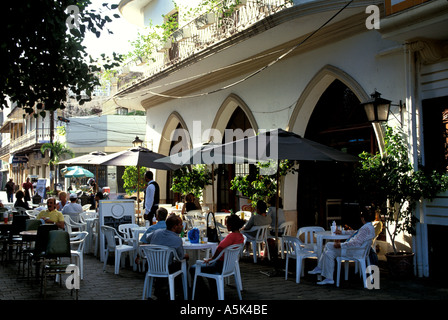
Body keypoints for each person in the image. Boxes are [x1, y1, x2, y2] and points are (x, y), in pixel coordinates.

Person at [308, 210, 376, 285]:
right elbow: (355, 232)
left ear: (363, 218)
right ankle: (324, 272)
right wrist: (342, 232)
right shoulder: (369, 227)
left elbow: (356, 243)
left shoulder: (365, 229)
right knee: (328, 248)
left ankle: (326, 274)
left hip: (353, 251)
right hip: (358, 250)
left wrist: (341, 245)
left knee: (329, 250)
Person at [145, 213, 188, 299]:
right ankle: (179, 291)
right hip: (167, 268)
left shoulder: (156, 232)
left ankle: (160, 288)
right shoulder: (177, 239)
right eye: (180, 224)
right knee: (183, 264)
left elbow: (147, 239)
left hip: (151, 266)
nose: (182, 226)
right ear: (175, 227)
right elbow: (180, 257)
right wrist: (186, 256)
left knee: (165, 263)